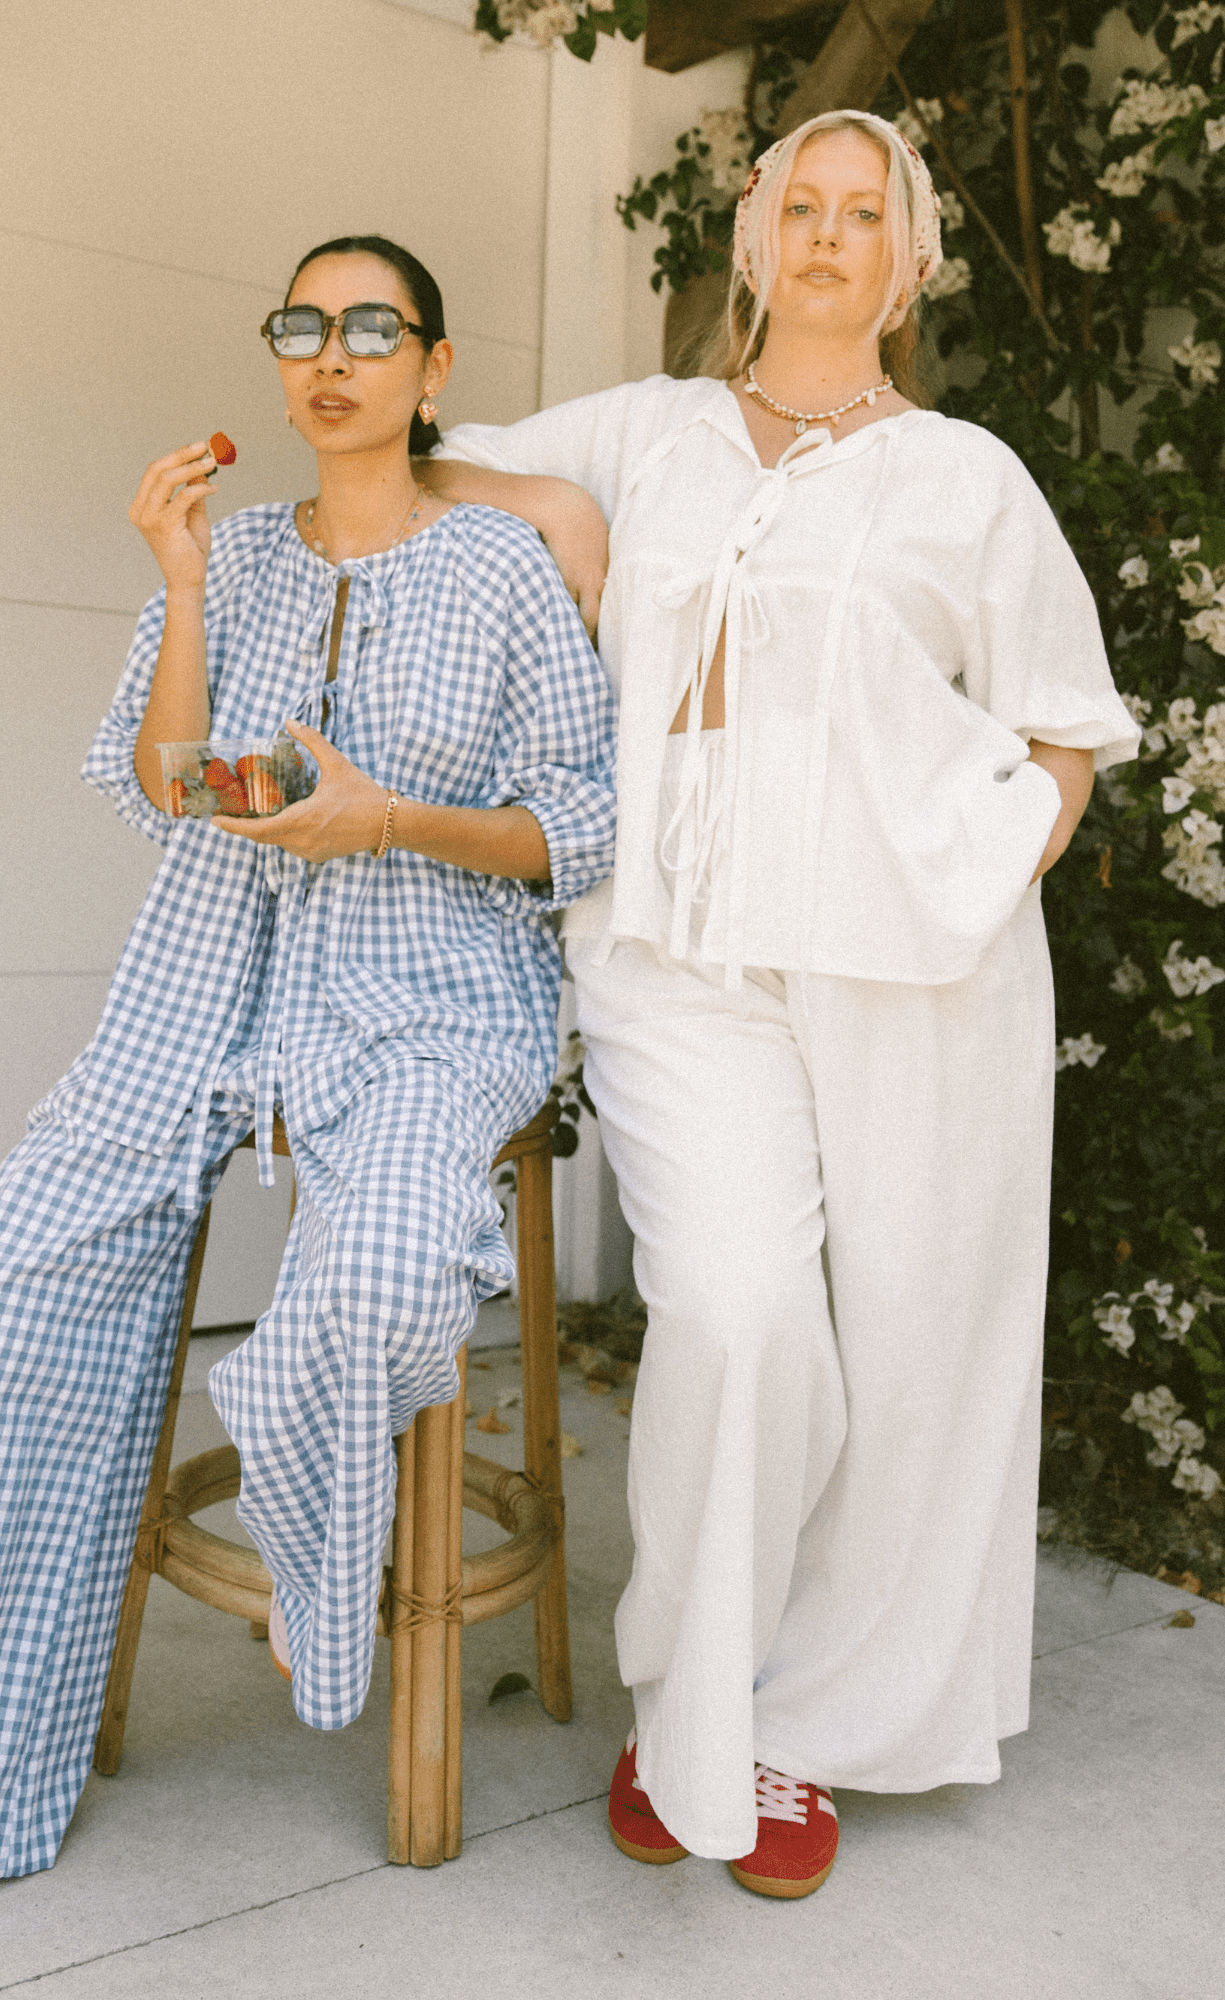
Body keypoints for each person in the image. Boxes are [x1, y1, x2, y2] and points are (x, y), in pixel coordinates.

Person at [0, 236, 615, 1995]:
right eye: (302, 325)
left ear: (433, 367)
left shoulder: (504, 567)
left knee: (381, 1276)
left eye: (370, 326)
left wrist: (387, 817)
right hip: (206, 977)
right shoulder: (236, 551)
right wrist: (178, 577)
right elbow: (167, 789)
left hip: (430, 996)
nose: (330, 353)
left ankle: (311, 1549)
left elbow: (577, 828)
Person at [419, 110, 1140, 1898]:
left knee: (912, 1342)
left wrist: (990, 866)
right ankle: (693, 1701)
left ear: (908, 262)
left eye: (861, 214)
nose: (826, 236)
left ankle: (804, 1724)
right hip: (674, 952)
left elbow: (1066, 729)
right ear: (751, 243)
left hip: (916, 958)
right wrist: (558, 513)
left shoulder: (969, 478)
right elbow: (431, 464)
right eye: (800, 207)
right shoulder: (644, 433)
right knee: (740, 1313)